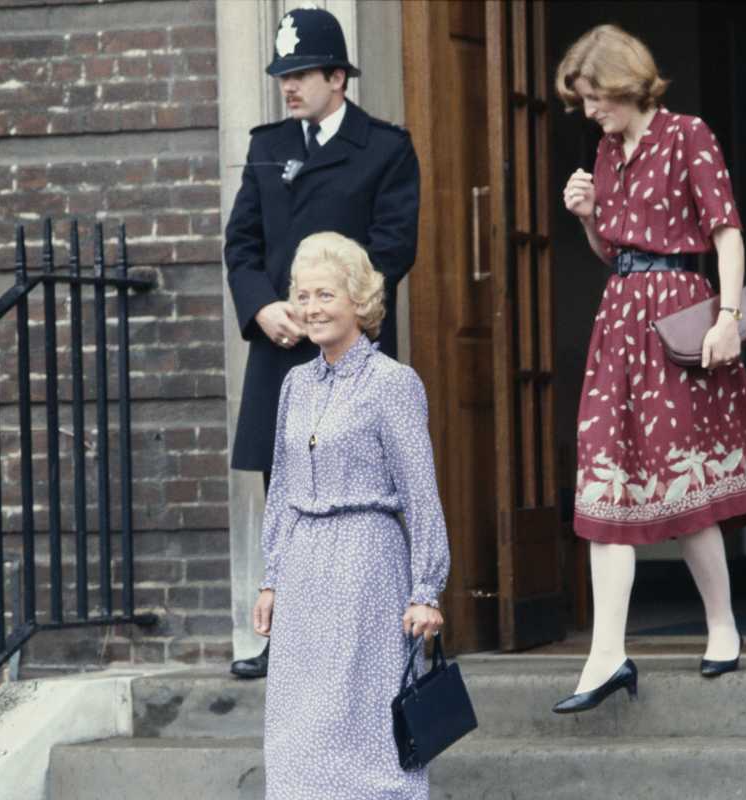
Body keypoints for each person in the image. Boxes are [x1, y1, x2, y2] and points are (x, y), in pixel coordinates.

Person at [550, 25, 746, 714]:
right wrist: (588, 218)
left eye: (596, 97)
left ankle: (721, 624)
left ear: (626, 84)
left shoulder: (689, 135)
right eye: (584, 101)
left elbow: (726, 231)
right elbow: (613, 252)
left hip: (680, 313)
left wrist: (725, 319)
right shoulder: (603, 149)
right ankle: (606, 654)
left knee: (685, 486)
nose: (590, 111)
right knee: (606, 483)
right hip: (619, 319)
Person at [225, 5, 421, 679]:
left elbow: (395, 248)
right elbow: (241, 246)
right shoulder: (266, 145)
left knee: (359, 488)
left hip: (348, 349)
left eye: (302, 74)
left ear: (338, 77)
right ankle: (284, 634)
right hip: (281, 346)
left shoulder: (385, 149)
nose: (289, 87)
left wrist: (331, 311)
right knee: (285, 486)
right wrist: (263, 308)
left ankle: (366, 626)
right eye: (284, 75)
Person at [254, 231, 449, 799]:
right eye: (304, 296)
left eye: (326, 295)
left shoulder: (393, 383)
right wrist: (271, 577)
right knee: (297, 729)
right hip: (303, 568)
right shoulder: (295, 383)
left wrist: (426, 588)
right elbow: (284, 485)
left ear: (358, 302)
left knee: (360, 721)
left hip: (367, 566)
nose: (312, 308)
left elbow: (421, 491)